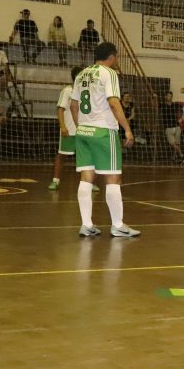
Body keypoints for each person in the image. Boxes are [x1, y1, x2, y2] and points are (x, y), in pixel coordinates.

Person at [70, 42, 139, 237]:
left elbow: (74, 105)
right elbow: (114, 103)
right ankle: (118, 225)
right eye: (116, 57)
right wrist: (127, 129)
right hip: (103, 131)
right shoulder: (108, 73)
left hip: (83, 131)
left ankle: (86, 224)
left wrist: (81, 127)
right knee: (113, 178)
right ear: (111, 56)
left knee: (86, 178)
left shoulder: (82, 74)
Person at [47, 66, 100, 192]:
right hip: (69, 130)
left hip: (85, 130)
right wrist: (63, 126)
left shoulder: (89, 91)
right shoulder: (67, 91)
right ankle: (55, 180)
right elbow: (60, 109)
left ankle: (90, 182)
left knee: (90, 157)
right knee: (62, 156)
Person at [160, 91, 184, 163]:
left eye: (171, 96)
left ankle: (174, 157)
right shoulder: (162, 105)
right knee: (172, 143)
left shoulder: (175, 105)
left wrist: (181, 119)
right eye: (168, 96)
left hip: (176, 127)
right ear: (165, 97)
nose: (170, 97)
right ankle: (182, 156)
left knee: (177, 143)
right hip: (168, 127)